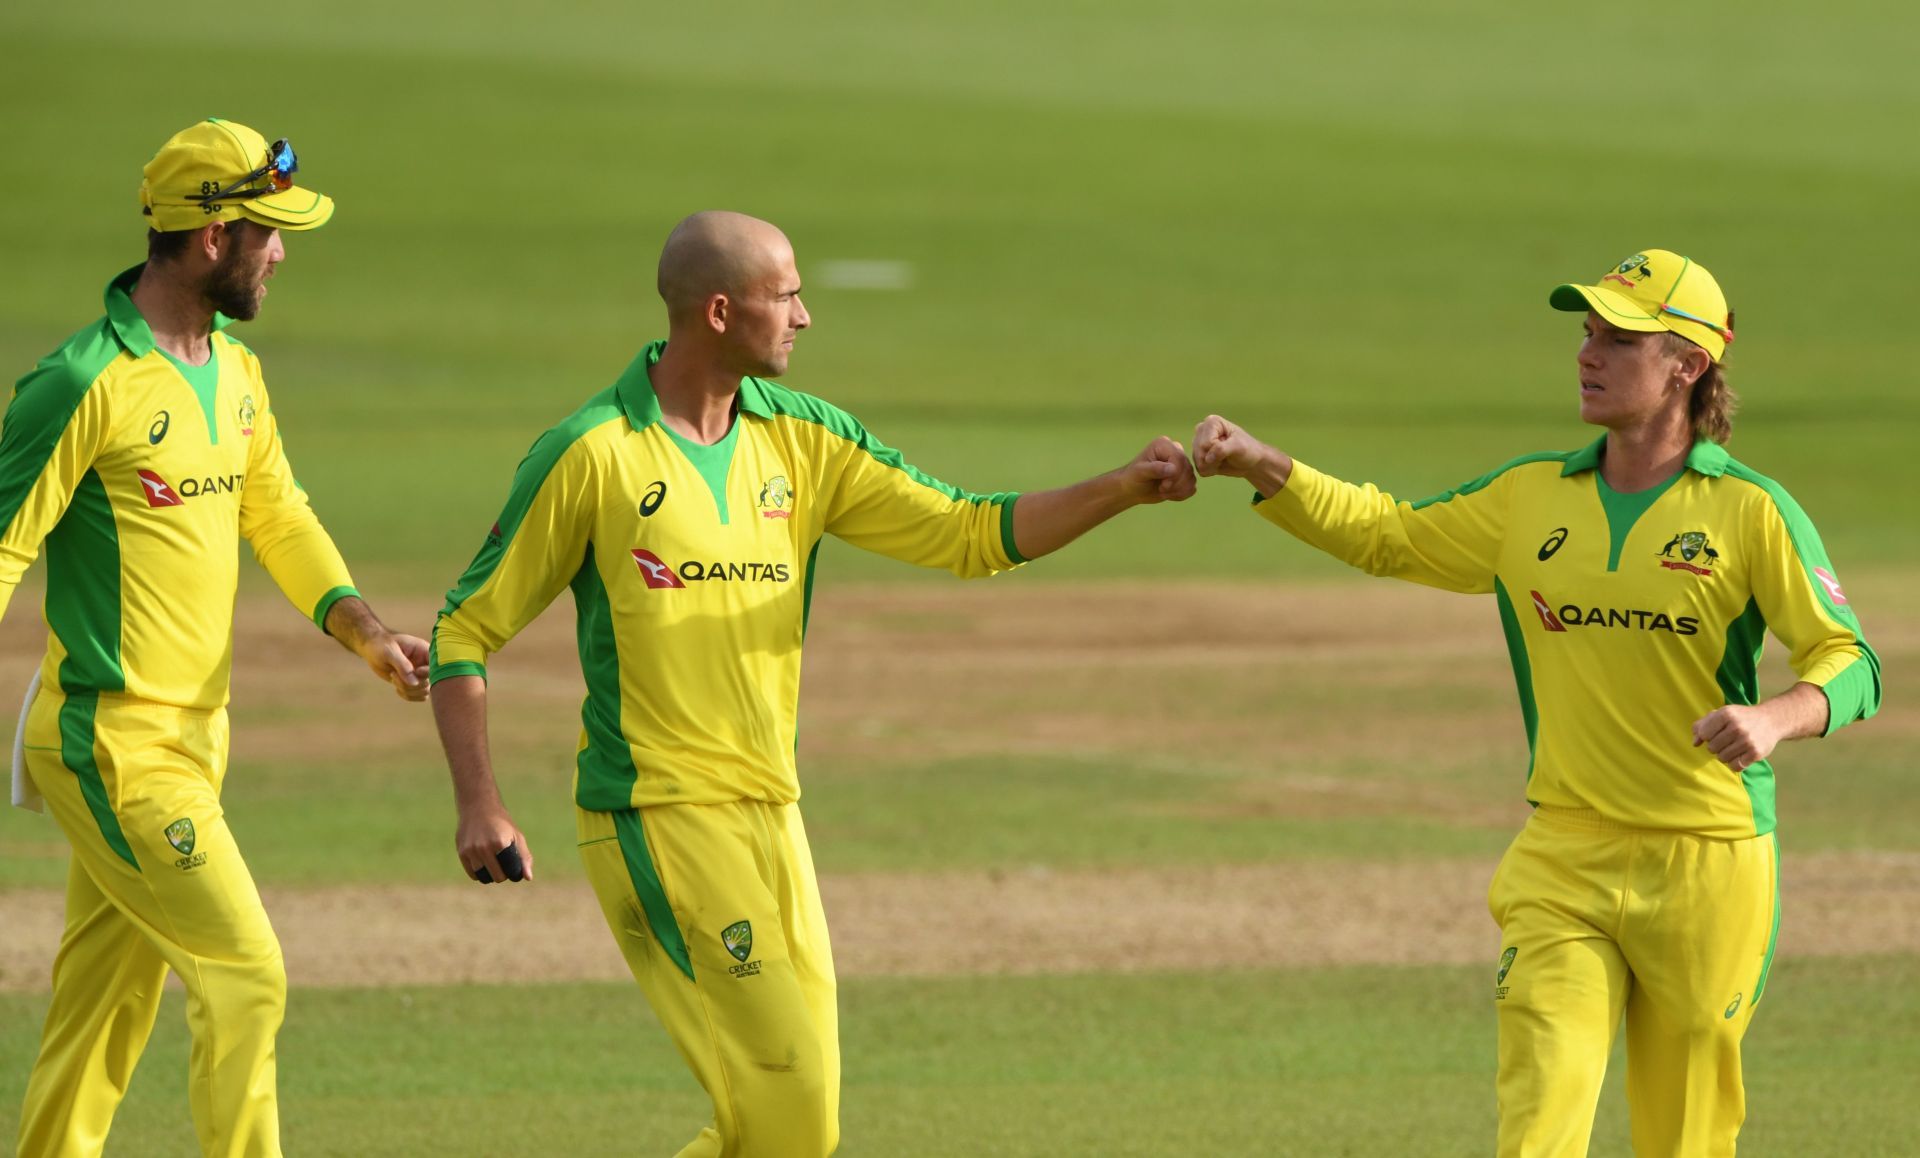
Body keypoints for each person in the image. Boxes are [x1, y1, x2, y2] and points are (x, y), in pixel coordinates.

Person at [428, 209, 1196, 1156]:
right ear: (719, 310)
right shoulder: (593, 454)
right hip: (657, 815)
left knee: (796, 1128)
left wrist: (1119, 487)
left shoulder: (806, 441)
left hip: (773, 812)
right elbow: (465, 629)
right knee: (787, 1120)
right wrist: (481, 805)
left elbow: (968, 531)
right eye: (785, 294)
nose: (805, 316)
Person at [1190, 249, 1880, 1157]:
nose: (1589, 353)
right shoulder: (1528, 498)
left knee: (1684, 1135)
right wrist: (1263, 465)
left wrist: (1775, 717)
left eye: (1619, 338)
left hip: (1709, 860)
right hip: (1566, 855)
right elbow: (1390, 535)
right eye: (1587, 333)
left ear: (1688, 364)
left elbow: (1853, 661)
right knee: (1539, 1120)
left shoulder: (1750, 513)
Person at [2, 118, 430, 1158]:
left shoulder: (232, 373)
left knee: (104, 1001)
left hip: (196, 741)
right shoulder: (81, 382)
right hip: (113, 746)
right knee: (247, 976)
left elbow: (276, 514)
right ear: (209, 236)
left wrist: (362, 629)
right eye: (268, 232)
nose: (281, 251)